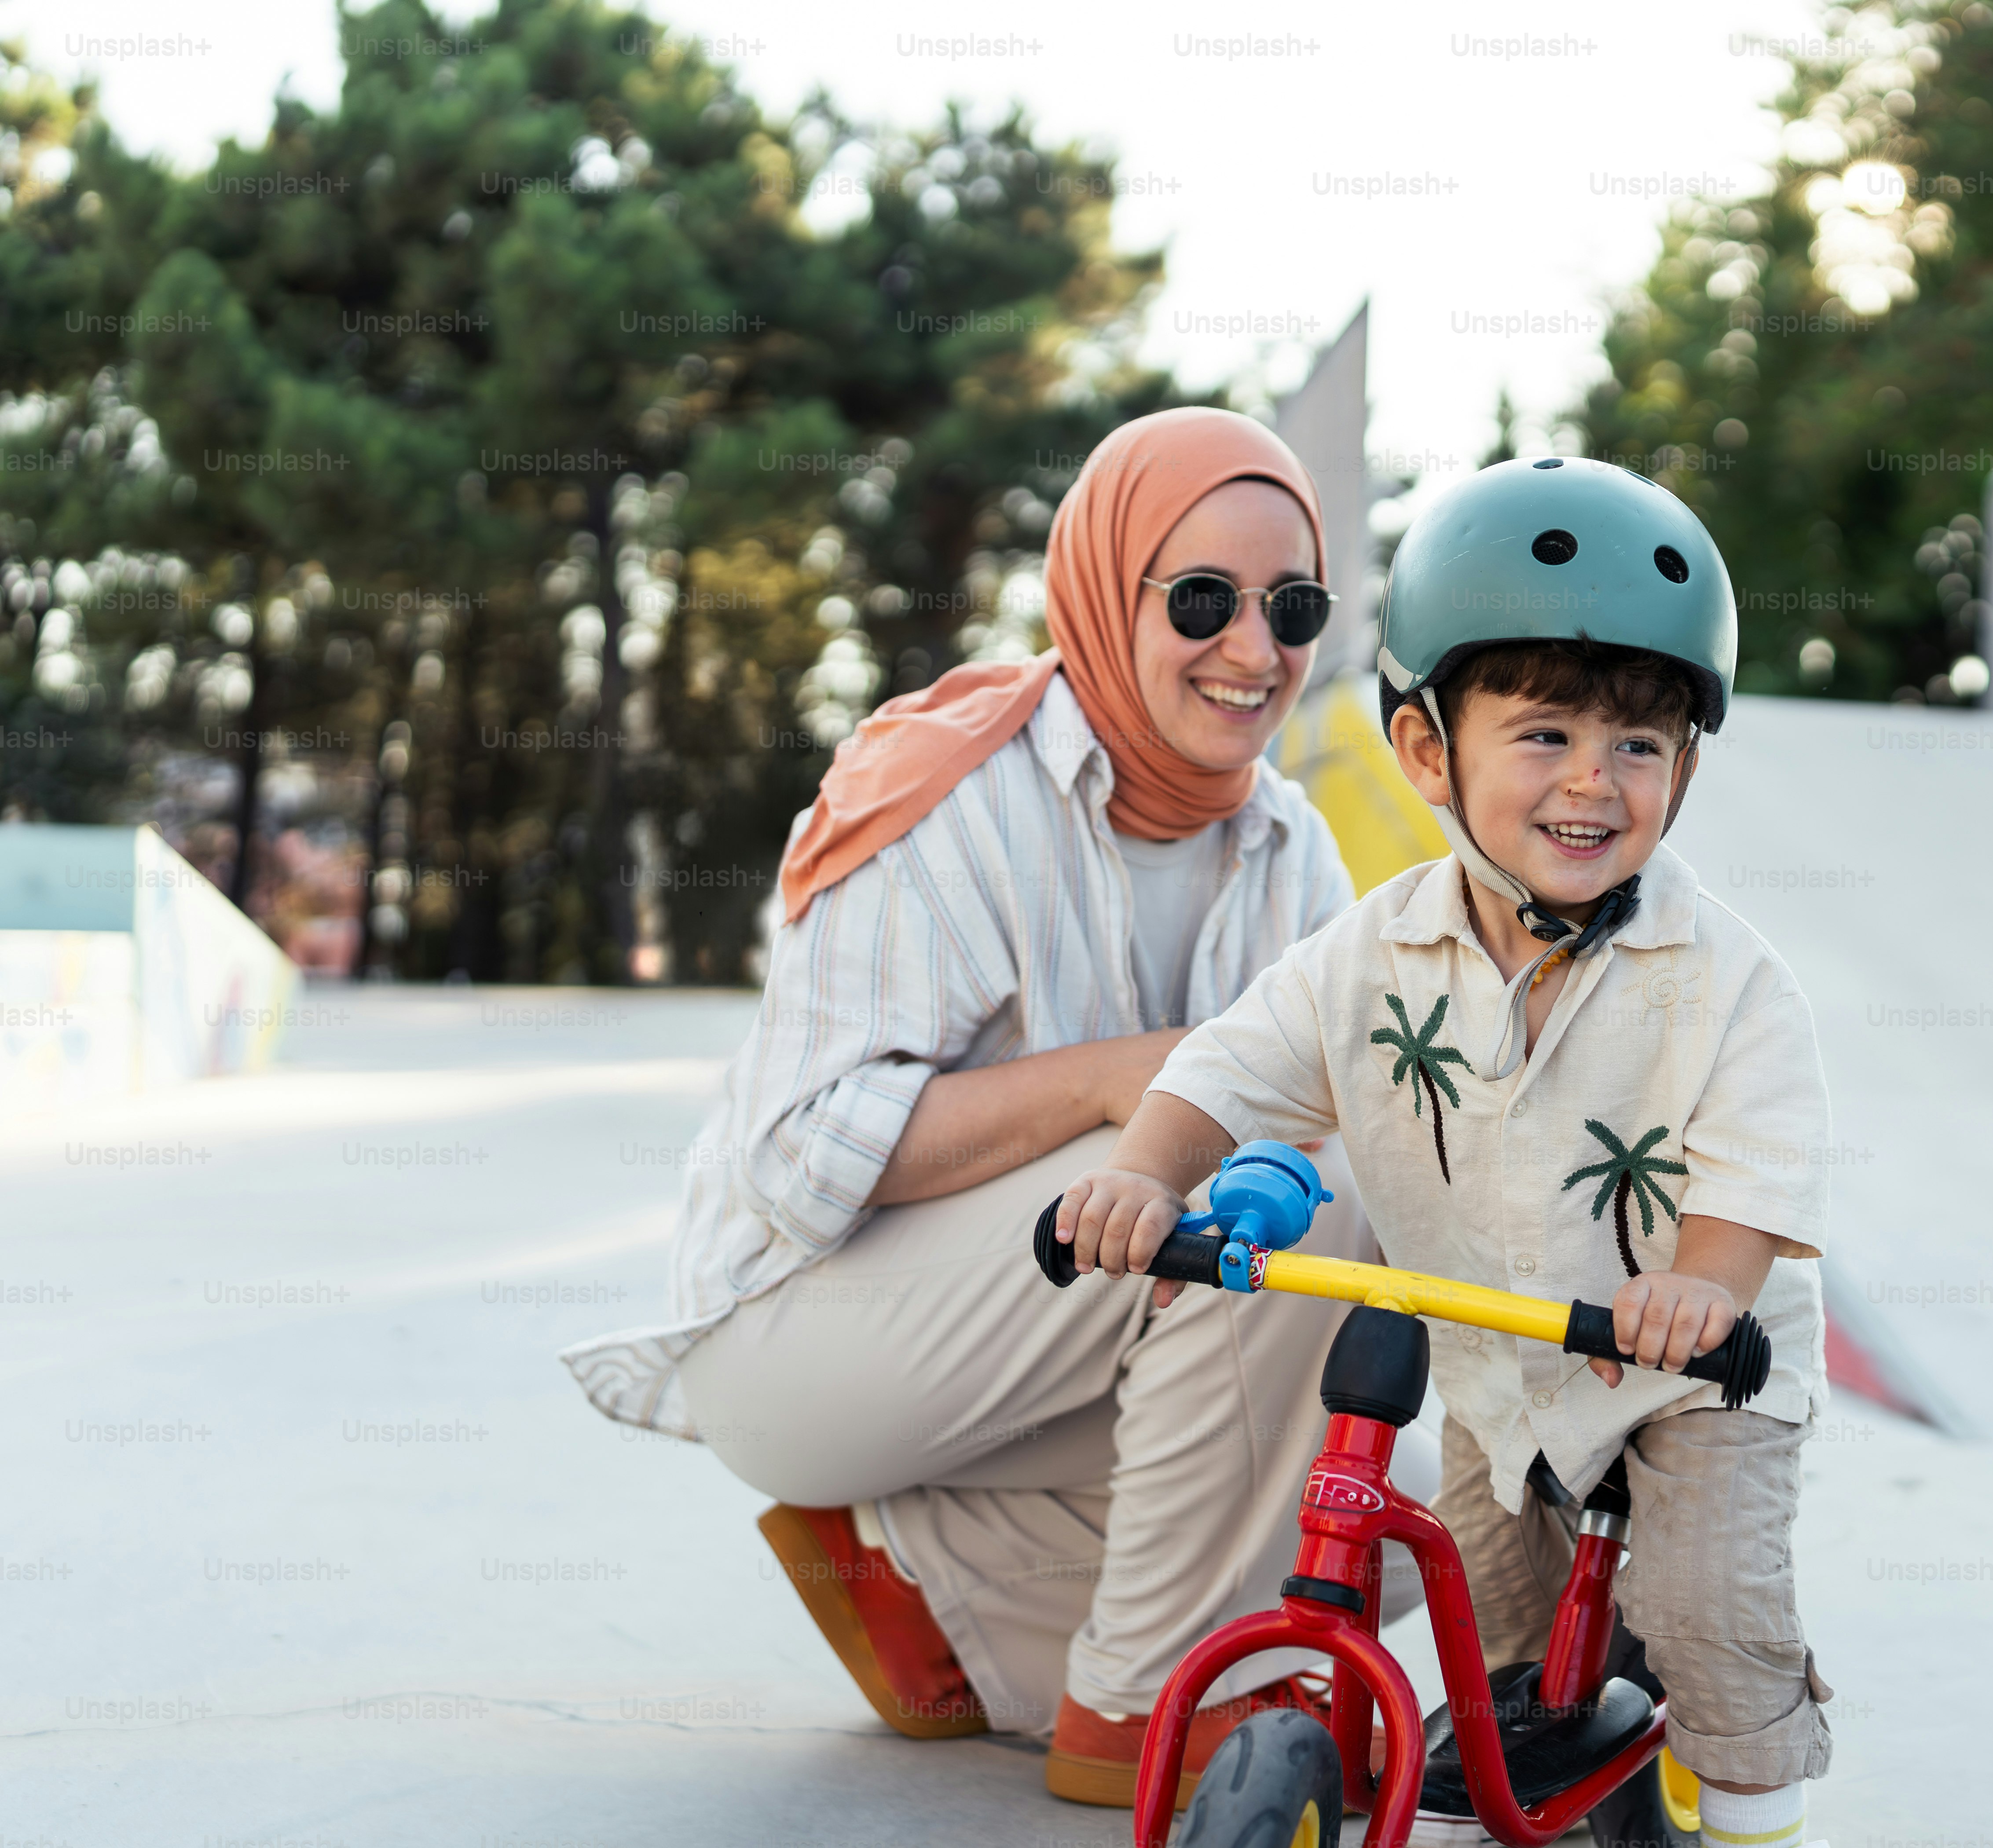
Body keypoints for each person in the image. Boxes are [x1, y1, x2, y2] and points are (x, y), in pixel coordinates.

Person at [559, 406, 1419, 1811]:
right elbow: (793, 1155)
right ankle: (1138, 1710)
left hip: (1033, 1345)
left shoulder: (1289, 847)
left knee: (1385, 1500)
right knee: (1256, 1205)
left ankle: (928, 1594)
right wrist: (1111, 1081)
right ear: (1100, 586)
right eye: (1201, 598)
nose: (1255, 649)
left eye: (1295, 604)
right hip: (801, 1330)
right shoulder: (957, 791)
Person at [1056, 456, 1836, 1848]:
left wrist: (1703, 1292)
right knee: (1502, 1662)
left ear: (1687, 768)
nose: (1595, 781)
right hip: (1499, 1371)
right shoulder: (1374, 951)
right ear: (1428, 753)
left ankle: (1756, 1817)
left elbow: (1756, 1178)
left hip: (1697, 1373)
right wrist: (1145, 1171)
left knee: (1714, 1618)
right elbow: (1232, 1064)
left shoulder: (1731, 976)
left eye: (1641, 747)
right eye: (1543, 735)